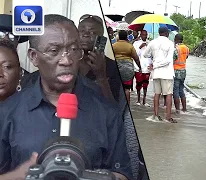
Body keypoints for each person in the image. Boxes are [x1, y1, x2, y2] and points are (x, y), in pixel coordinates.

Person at [0, 14, 132, 180]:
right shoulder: (7, 112)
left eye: (74, 49)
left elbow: (124, 173)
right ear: (34, 57)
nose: (67, 60)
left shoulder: (107, 112)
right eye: (54, 51)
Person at [77, 14, 120, 102]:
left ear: (101, 38)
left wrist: (101, 77)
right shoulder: (67, 61)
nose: (86, 35)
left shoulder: (112, 67)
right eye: (82, 31)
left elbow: (114, 107)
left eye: (92, 32)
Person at [144, 26, 176, 123]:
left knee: (157, 94)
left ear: (159, 33)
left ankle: (156, 115)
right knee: (169, 94)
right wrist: (156, 65)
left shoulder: (152, 42)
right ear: (166, 33)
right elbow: (169, 60)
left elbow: (146, 54)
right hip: (167, 73)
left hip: (156, 73)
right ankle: (168, 117)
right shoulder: (170, 43)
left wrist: (154, 62)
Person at [113, 30, 141, 104]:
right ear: (126, 37)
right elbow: (136, 59)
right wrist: (140, 67)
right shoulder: (130, 46)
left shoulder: (114, 45)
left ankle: (117, 104)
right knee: (127, 89)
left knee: (117, 88)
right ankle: (127, 105)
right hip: (128, 69)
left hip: (117, 68)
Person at [133, 30, 152, 106]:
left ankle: (144, 100)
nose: (145, 36)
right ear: (140, 35)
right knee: (138, 83)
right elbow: (135, 55)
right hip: (139, 67)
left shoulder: (150, 43)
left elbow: (152, 55)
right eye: (143, 35)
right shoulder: (136, 43)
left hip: (147, 67)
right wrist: (140, 47)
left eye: (146, 35)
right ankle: (138, 99)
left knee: (146, 84)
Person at [173, 34, 189, 113]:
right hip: (183, 71)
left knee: (175, 90)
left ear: (176, 39)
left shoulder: (176, 49)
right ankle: (184, 108)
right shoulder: (186, 48)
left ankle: (177, 109)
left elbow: (172, 59)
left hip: (176, 71)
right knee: (181, 89)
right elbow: (186, 57)